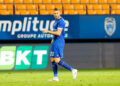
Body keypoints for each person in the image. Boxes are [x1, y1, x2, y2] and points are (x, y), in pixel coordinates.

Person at [41, 8, 77, 81]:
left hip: (59, 42)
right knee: (52, 59)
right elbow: (55, 32)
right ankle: (55, 77)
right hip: (55, 41)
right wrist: (52, 39)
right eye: (55, 13)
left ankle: (73, 70)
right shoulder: (55, 22)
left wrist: (47, 31)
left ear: (59, 13)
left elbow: (58, 33)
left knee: (57, 60)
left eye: (57, 13)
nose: (56, 14)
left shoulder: (61, 21)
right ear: (53, 14)